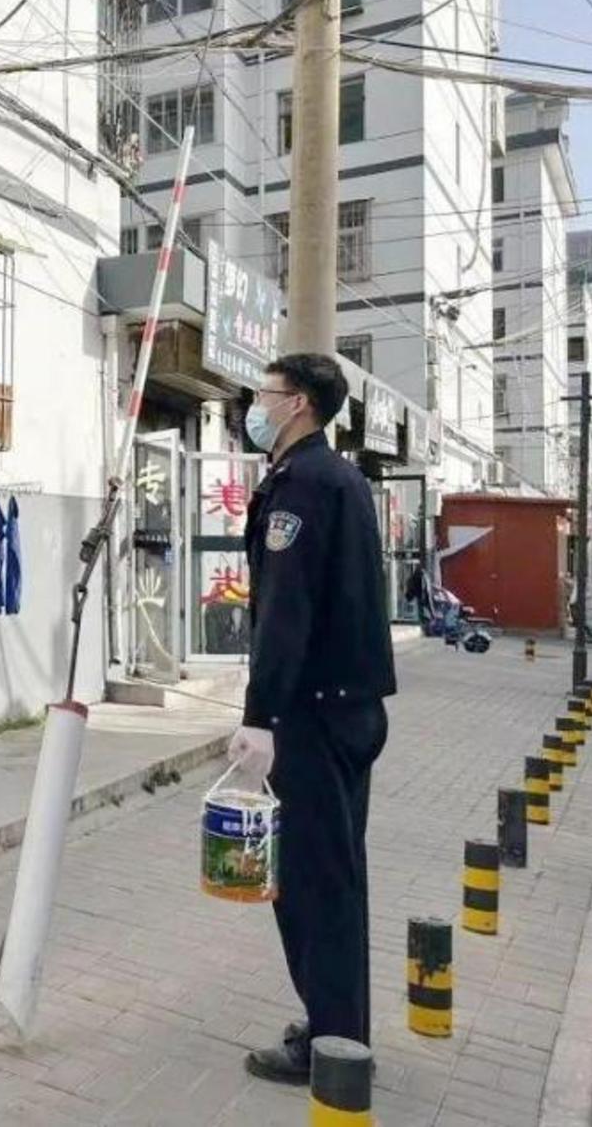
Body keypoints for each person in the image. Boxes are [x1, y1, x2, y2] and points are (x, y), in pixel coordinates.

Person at [227, 352, 397, 1085]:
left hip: (313, 713)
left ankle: (332, 1046)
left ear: (296, 403)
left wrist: (259, 714)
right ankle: (338, 1026)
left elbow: (286, 612)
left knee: (311, 884)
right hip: (350, 707)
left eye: (264, 394)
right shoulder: (342, 478)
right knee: (337, 876)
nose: (254, 407)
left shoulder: (302, 486)